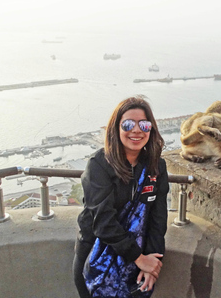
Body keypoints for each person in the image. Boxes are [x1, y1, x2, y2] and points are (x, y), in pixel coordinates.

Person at [73, 96, 169, 297]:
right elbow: (103, 222)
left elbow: (158, 219)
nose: (136, 130)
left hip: (137, 262)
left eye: (144, 124)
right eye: (127, 124)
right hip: (96, 259)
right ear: (115, 129)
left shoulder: (156, 167)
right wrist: (140, 258)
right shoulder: (99, 165)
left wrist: (152, 262)